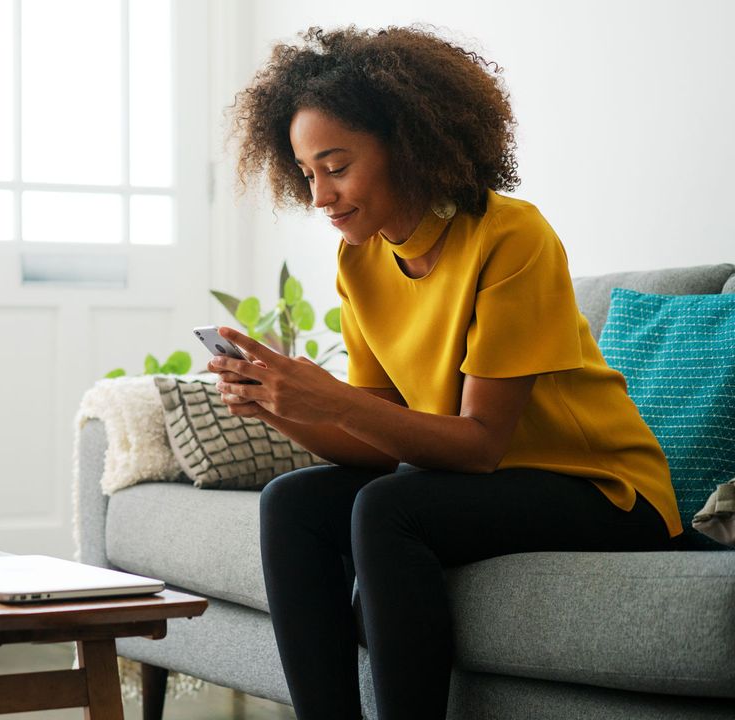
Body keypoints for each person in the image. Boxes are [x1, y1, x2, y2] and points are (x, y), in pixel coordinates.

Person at [211, 25, 681, 720]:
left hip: (602, 488)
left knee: (390, 506)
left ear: (406, 145)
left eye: (336, 166)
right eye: (308, 173)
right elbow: (378, 443)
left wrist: (330, 398)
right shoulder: (360, 261)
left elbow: (479, 443)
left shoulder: (510, 237)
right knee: (293, 500)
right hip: (485, 482)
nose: (320, 196)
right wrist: (281, 403)